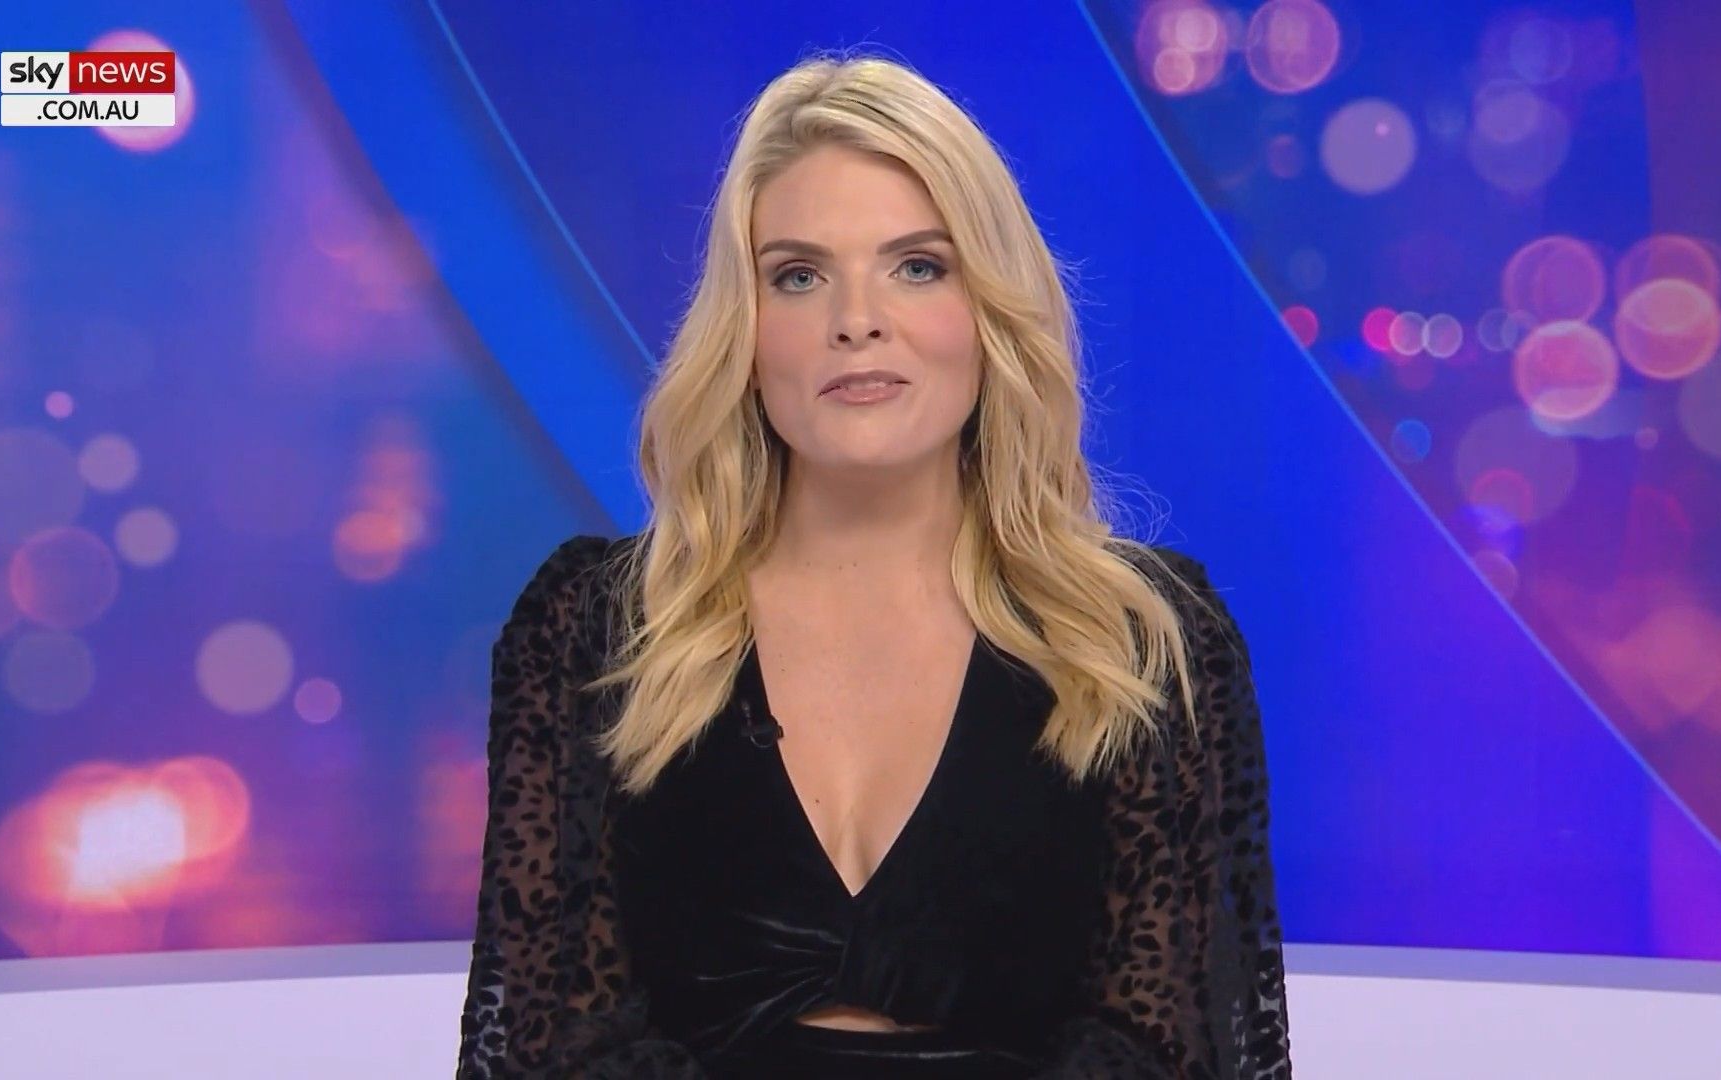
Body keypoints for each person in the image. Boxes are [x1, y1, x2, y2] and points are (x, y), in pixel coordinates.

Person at [456, 50, 1290, 1079]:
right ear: (744, 330)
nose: (857, 319)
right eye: (798, 276)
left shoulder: (1146, 642)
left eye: (918, 266)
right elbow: (546, 1045)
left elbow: (1174, 1050)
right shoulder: (596, 628)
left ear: (991, 309)